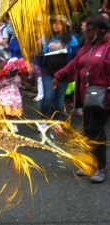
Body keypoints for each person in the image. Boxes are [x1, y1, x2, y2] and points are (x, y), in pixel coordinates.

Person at [53, 14, 110, 183]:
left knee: (95, 131)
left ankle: (101, 168)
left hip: (104, 99)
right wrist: (59, 76)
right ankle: (89, 164)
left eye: (89, 30)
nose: (86, 33)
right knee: (87, 131)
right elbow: (75, 64)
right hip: (87, 98)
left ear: (99, 30)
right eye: (85, 30)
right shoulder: (88, 46)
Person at [37, 15, 78, 127]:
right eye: (53, 23)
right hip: (48, 73)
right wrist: (36, 68)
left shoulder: (71, 39)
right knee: (47, 98)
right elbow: (38, 53)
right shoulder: (46, 37)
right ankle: (43, 120)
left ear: (64, 25)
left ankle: (56, 122)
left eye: (58, 23)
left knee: (59, 100)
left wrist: (72, 72)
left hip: (63, 74)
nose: (55, 25)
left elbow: (75, 57)